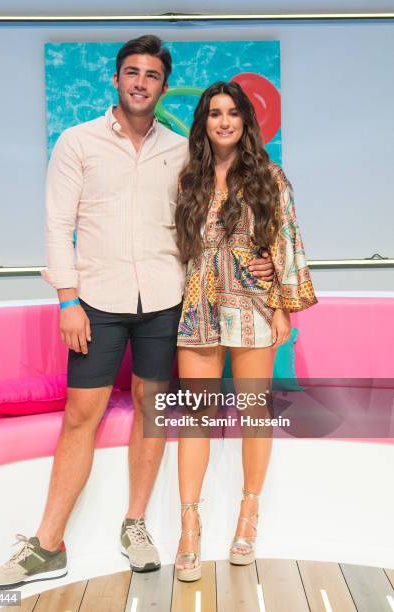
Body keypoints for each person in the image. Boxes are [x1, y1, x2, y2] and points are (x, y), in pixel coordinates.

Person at [0, 38, 274, 589]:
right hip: (97, 303)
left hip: (168, 301)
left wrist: (264, 264)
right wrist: (67, 299)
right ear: (115, 80)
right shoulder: (77, 142)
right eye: (132, 72)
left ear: (164, 87)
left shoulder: (183, 150)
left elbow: (227, 211)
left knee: (153, 409)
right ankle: (47, 545)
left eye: (153, 75)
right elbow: (56, 224)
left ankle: (135, 524)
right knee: (79, 416)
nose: (141, 82)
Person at [173, 81, 317, 581]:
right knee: (194, 418)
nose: (225, 121)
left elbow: (287, 242)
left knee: (255, 412)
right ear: (204, 122)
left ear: (245, 121)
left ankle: (247, 516)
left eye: (234, 113)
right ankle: (188, 526)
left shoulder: (269, 177)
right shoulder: (187, 178)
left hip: (253, 307)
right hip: (197, 307)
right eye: (215, 113)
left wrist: (281, 303)